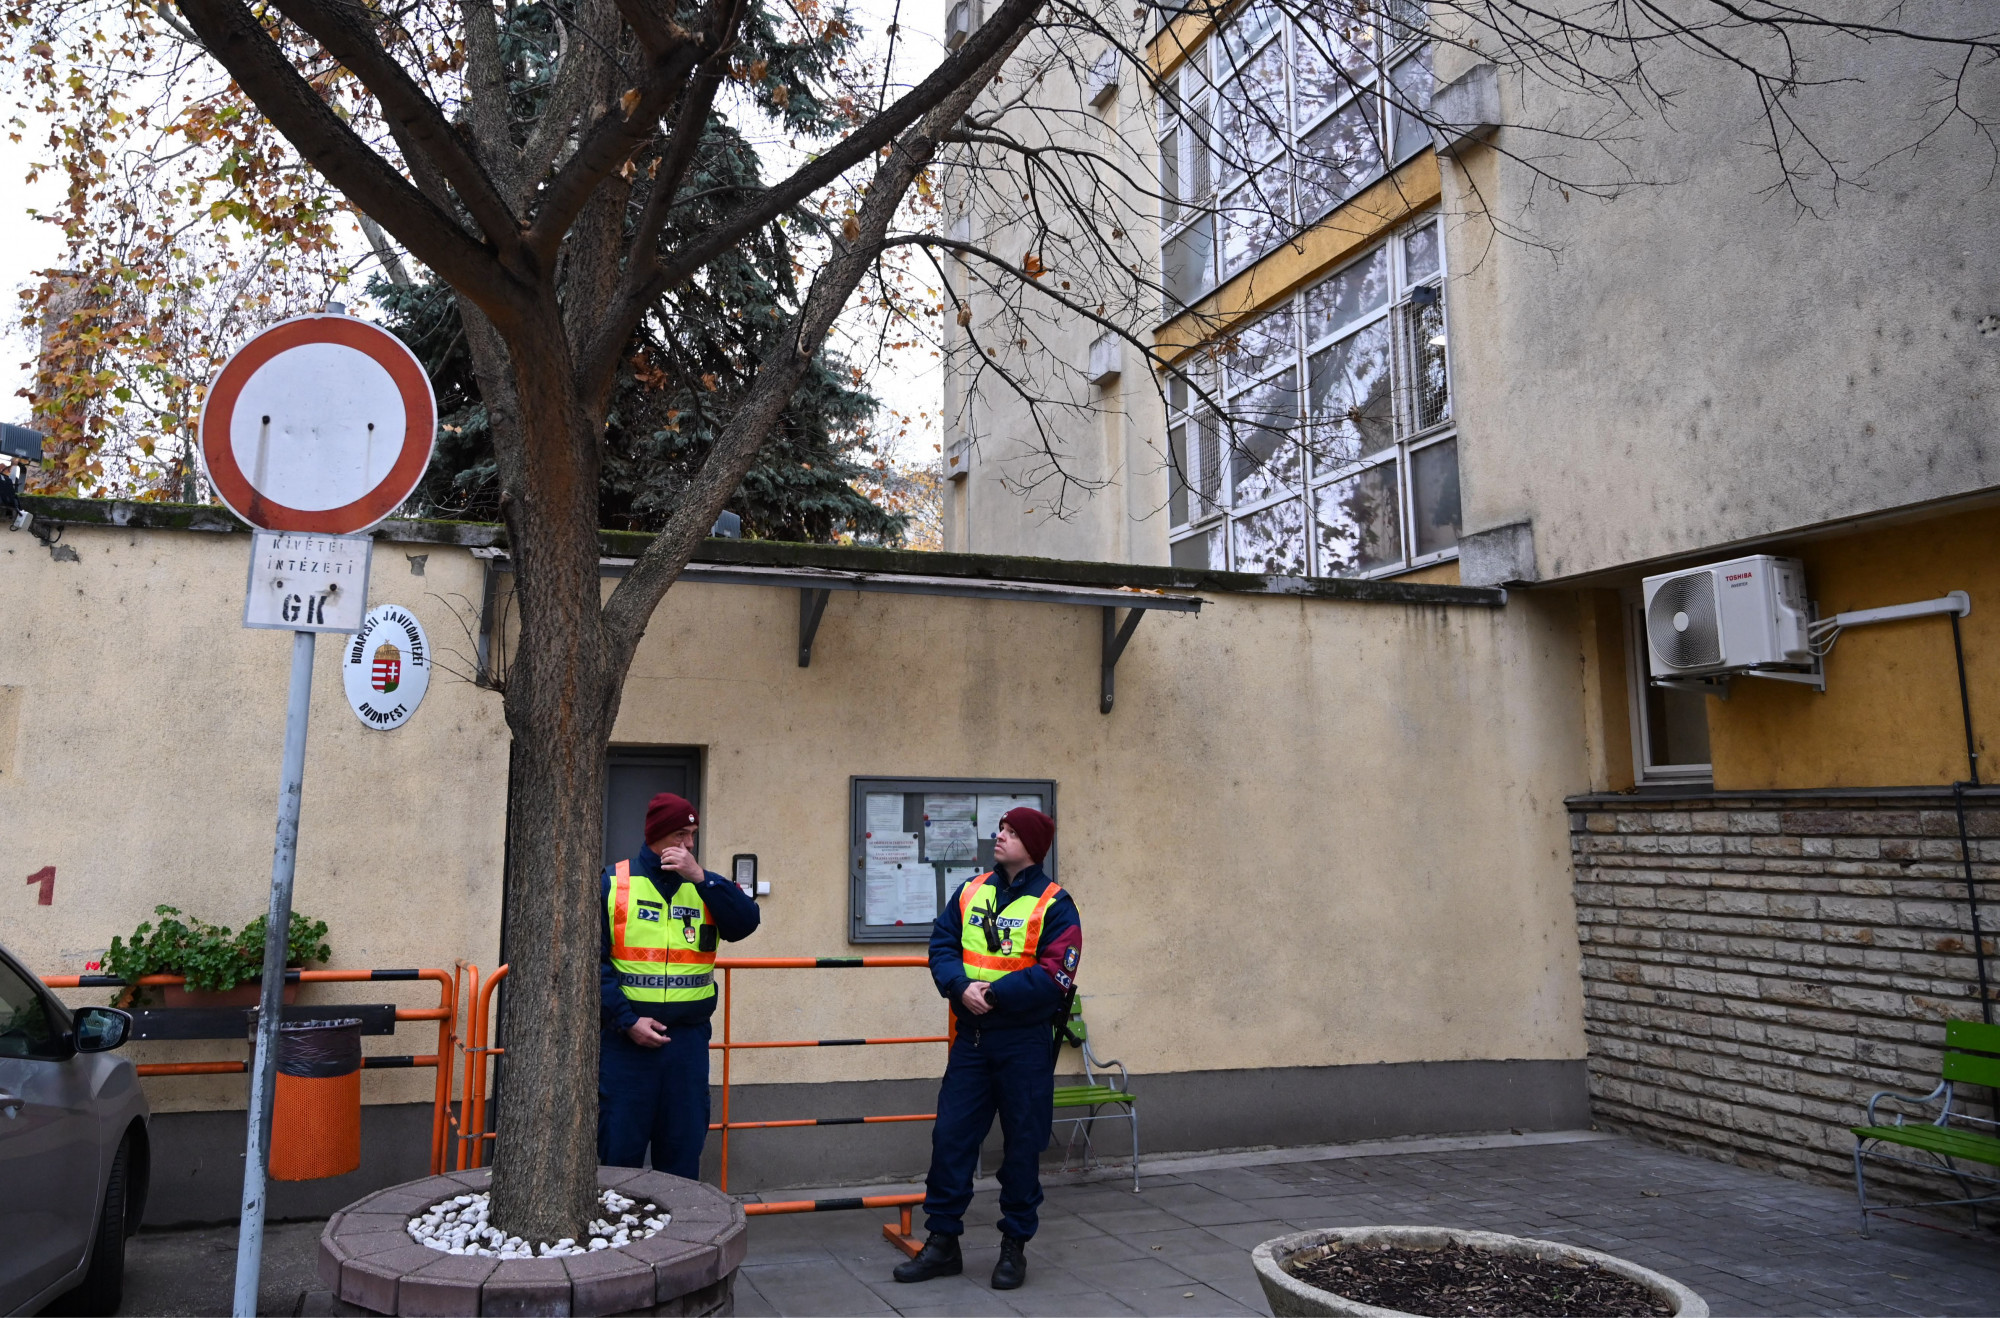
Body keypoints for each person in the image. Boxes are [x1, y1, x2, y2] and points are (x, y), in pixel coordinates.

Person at [894, 806, 1081, 1292]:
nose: (1000, 836)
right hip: (972, 1042)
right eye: (1000, 828)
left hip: (1023, 1045)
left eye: (1012, 831)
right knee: (951, 1139)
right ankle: (942, 1243)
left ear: (1033, 846)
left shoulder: (1056, 905)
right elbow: (941, 945)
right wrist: (959, 987)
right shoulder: (971, 890)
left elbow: (1057, 975)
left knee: (1022, 1147)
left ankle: (1014, 1246)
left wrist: (993, 995)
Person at [598, 791, 759, 1180]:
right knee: (619, 1158)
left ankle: (683, 1241)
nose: (688, 845)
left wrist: (702, 878)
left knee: (682, 1157)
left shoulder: (704, 885)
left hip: (686, 1045)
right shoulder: (613, 882)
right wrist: (626, 1020)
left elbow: (746, 922)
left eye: (692, 836)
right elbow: (592, 966)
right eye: (679, 836)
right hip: (626, 1045)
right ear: (655, 835)